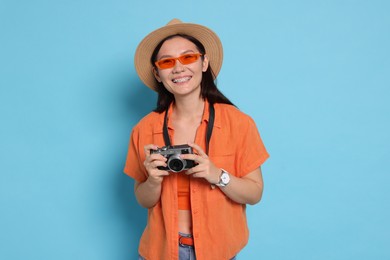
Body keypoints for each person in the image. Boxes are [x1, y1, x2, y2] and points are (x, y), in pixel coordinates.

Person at [124, 18, 269, 260]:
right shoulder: (144, 128)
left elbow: (254, 194)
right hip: (160, 252)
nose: (178, 68)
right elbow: (143, 199)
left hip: (218, 252)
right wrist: (153, 181)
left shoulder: (239, 123)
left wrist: (217, 175)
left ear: (204, 63)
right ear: (157, 74)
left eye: (188, 57)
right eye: (167, 62)